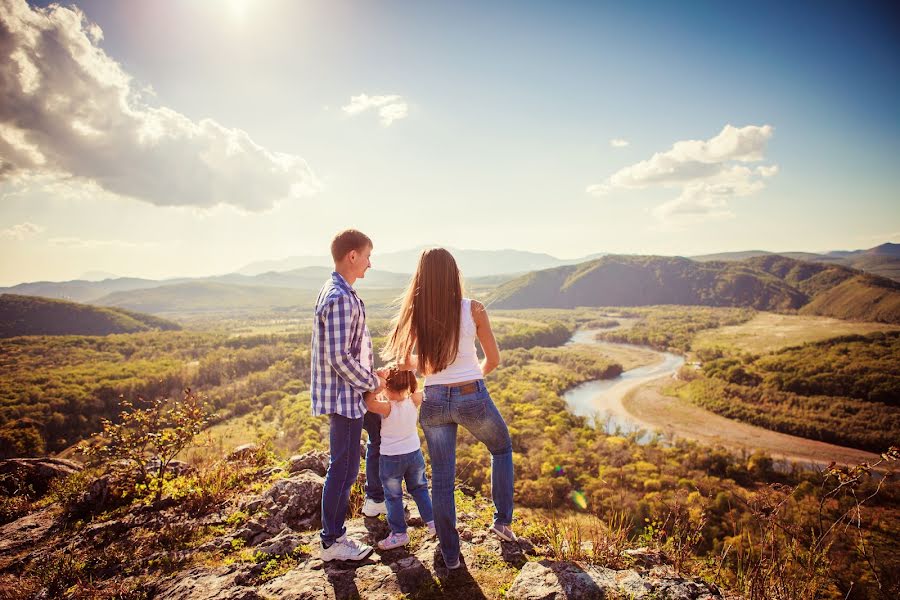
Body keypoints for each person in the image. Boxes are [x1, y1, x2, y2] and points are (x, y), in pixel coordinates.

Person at [382, 248, 515, 570]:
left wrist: (432, 371)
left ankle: (451, 555)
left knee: (441, 477)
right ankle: (502, 523)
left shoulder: (415, 312)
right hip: (473, 395)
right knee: (501, 450)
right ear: (454, 275)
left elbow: (409, 364)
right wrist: (470, 380)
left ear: (421, 277)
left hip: (435, 400)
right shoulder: (474, 309)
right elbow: (494, 360)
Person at [311, 229, 385, 562]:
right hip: (345, 397)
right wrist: (371, 381)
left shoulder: (342, 292)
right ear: (352, 255)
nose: (370, 263)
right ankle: (332, 541)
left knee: (347, 463)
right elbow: (339, 357)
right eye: (367, 256)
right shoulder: (340, 296)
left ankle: (338, 533)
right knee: (343, 468)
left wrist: (372, 376)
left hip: (348, 394)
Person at [364, 367, 436, 550]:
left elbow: (367, 402)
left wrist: (378, 380)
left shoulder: (386, 407)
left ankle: (399, 534)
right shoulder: (414, 400)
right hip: (414, 454)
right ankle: (434, 524)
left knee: (393, 497)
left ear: (387, 388)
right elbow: (427, 386)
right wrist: (410, 375)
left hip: (391, 459)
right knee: (420, 489)